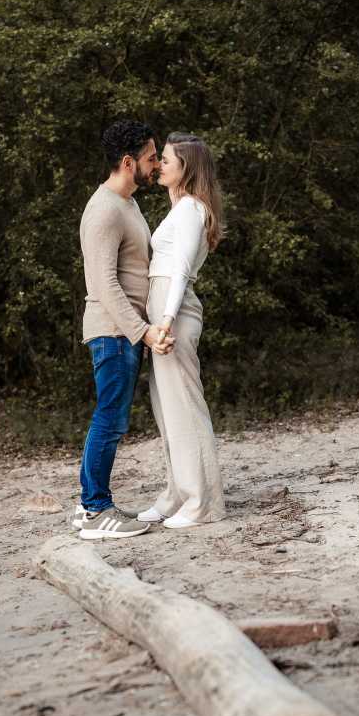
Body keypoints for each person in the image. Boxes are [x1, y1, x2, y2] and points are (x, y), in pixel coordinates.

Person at [74, 120, 172, 540]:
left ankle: (87, 508)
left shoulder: (128, 204)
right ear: (129, 162)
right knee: (109, 420)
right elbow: (103, 284)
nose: (156, 165)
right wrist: (142, 332)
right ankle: (95, 510)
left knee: (112, 419)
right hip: (113, 332)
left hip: (125, 331)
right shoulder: (104, 210)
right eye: (151, 158)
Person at [137, 132, 226, 529]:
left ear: (186, 168)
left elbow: (180, 270)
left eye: (167, 160)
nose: (159, 165)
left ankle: (203, 503)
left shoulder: (192, 208)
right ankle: (176, 494)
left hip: (173, 310)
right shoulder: (181, 206)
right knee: (167, 409)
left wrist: (166, 320)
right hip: (161, 307)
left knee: (186, 408)